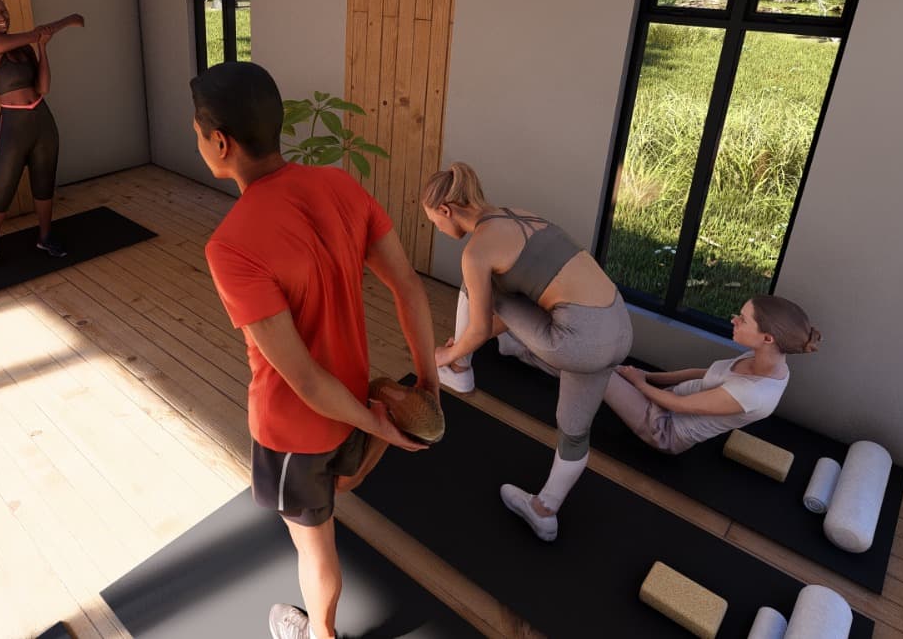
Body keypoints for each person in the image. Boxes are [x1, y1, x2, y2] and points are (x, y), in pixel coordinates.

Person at [193, 62, 438, 639]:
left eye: (197, 132)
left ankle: (320, 635)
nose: (198, 140)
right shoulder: (340, 185)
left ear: (220, 143)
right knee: (341, 476)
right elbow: (407, 285)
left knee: (315, 548)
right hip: (352, 397)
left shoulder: (230, 245)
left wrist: (379, 427)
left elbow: (302, 378)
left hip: (295, 430)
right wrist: (426, 385)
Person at [423, 162, 630, 542]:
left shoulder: (477, 250)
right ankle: (544, 511)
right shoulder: (519, 213)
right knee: (574, 431)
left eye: (434, 221)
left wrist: (439, 356)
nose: (437, 228)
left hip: (576, 341)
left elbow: (482, 324)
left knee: (477, 288)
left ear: (447, 210)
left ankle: (459, 368)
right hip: (619, 327)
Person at [604, 296, 821, 454]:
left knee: (595, 370)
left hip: (662, 428)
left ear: (767, 338)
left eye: (743, 320)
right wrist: (649, 376)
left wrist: (638, 382)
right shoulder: (763, 358)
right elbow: (703, 374)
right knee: (608, 366)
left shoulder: (752, 393)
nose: (734, 320)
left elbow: (680, 406)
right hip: (665, 400)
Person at [0, 0, 83, 272]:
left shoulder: (26, 48)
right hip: (14, 124)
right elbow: (34, 34)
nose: (1, 17)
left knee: (44, 182)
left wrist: (44, 48)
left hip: (42, 120)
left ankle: (45, 237)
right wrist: (68, 21)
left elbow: (43, 87)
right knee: (2, 187)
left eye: (3, 10)